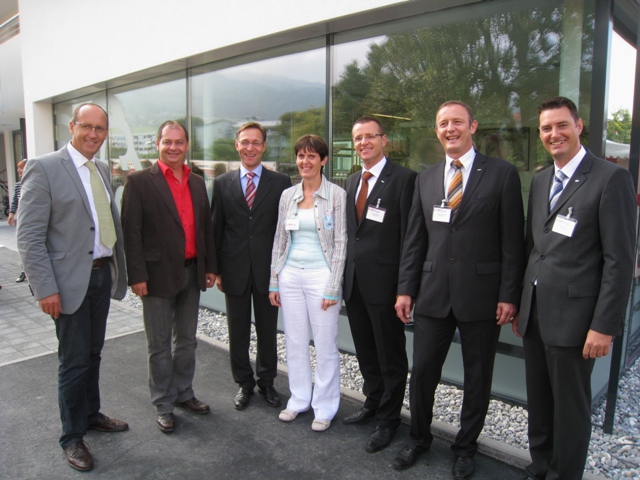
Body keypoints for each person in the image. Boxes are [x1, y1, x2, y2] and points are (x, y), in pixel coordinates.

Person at [393, 101, 525, 479]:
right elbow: (414, 240)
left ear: (473, 126)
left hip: (482, 296)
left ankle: (466, 448)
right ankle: (419, 438)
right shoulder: (425, 179)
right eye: (443, 123)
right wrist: (405, 289)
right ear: (437, 131)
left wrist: (509, 294)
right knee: (422, 372)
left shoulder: (502, 174)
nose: (450, 129)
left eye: (457, 122)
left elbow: (512, 242)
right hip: (433, 292)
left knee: (477, 377)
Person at [514, 97, 636, 480]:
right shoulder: (541, 180)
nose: (554, 134)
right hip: (535, 315)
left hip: (577, 322)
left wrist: (604, 326)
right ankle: (540, 467)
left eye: (562, 125)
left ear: (579, 126)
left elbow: (619, 262)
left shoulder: (610, 179)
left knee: (569, 409)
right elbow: (533, 249)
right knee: (540, 402)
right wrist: (522, 305)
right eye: (547, 128)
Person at [17, 103, 128, 472]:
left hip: (100, 275)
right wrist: (45, 289)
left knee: (92, 354)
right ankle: (72, 436)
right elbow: (29, 237)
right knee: (74, 360)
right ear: (72, 126)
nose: (93, 134)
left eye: (100, 128)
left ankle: (91, 414)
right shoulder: (44, 168)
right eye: (86, 126)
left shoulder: (101, 169)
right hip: (66, 284)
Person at [121, 121, 217, 434]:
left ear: (186, 145)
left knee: (187, 341)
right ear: (158, 144)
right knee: (159, 345)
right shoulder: (138, 182)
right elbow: (131, 233)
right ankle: (163, 403)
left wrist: (210, 267)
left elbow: (205, 228)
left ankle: (184, 393)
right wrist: (137, 275)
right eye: (167, 142)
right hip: (156, 276)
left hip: (192, 272)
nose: (173, 147)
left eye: (179, 142)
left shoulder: (197, 182)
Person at [342, 116, 416, 453]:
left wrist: (405, 288)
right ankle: (372, 402)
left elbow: (410, 239)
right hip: (355, 283)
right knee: (366, 351)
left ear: (384, 140)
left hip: (386, 286)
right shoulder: (351, 180)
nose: (364, 143)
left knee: (390, 356)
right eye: (358, 138)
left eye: (370, 136)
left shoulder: (405, 180)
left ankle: (389, 419)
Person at [268, 135, 347, 432]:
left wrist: (333, 286)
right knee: (295, 340)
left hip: (321, 277)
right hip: (290, 275)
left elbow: (341, 243)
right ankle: (299, 399)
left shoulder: (336, 195)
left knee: (325, 345)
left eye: (312, 156)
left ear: (323, 160)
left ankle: (325, 407)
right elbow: (280, 239)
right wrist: (274, 280)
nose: (305, 161)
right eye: (301, 156)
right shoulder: (287, 195)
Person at [211, 122, 292, 410]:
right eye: (245, 142)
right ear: (237, 145)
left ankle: (267, 382)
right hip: (233, 270)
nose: (250, 147)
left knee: (268, 331)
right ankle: (244, 383)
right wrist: (216, 270)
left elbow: (286, 230)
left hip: (268, 272)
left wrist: (282, 269)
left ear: (264, 147)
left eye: (256, 142)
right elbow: (217, 227)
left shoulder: (281, 183)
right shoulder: (222, 183)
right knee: (238, 330)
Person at [9, 159, 27, 282]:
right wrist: (11, 214)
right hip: (21, 219)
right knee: (22, 245)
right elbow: (15, 200)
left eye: (22, 167)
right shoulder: (18, 185)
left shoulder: (36, 183)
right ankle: (24, 271)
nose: (19, 170)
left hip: (33, 219)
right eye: (18, 168)